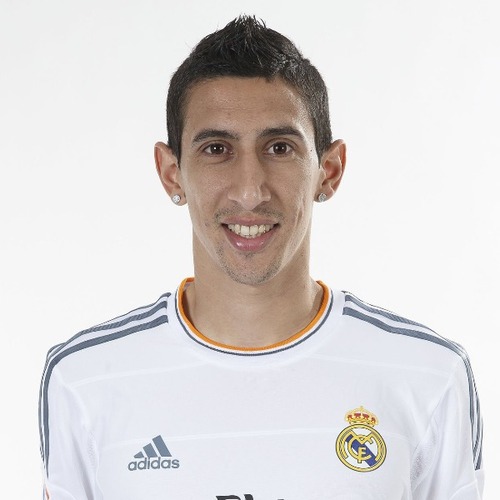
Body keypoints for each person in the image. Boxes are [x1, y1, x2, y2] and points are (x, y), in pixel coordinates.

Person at [39, 15, 483, 500]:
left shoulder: (429, 375)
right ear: (171, 173)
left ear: (329, 170)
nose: (250, 191)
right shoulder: (83, 379)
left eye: (279, 147)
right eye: (217, 148)